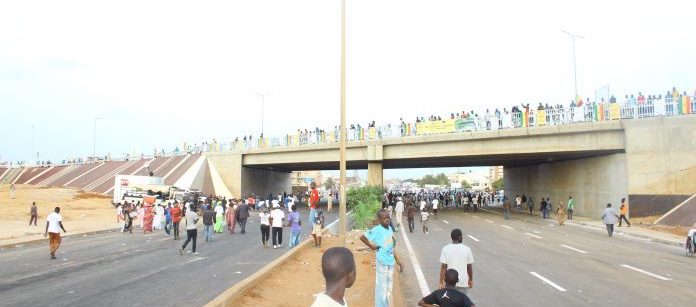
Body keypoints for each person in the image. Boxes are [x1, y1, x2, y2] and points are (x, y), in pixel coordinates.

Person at [360, 210, 403, 307]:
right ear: (379, 220)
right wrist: (372, 247)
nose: (387, 220)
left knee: (388, 288)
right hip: (382, 263)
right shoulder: (377, 230)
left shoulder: (389, 229)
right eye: (384, 218)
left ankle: (385, 305)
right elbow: (362, 237)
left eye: (388, 217)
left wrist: (398, 261)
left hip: (390, 263)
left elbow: (390, 247)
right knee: (381, 288)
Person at [439, 229, 474, 295]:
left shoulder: (445, 249)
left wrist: (441, 282)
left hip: (449, 282)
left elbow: (443, 267)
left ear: (451, 237)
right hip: (463, 282)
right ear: (460, 237)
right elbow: (469, 267)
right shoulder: (467, 249)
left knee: (450, 303)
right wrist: (470, 280)